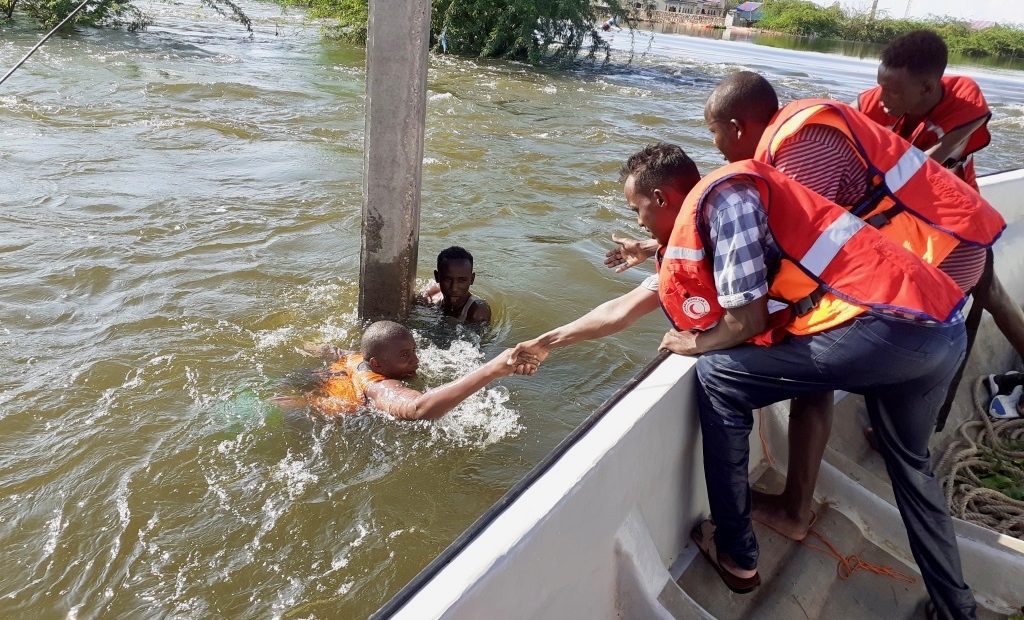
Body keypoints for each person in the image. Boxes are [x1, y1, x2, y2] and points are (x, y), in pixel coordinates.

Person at [515, 143, 975, 617]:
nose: (637, 221)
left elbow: (747, 321)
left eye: (637, 209)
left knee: (718, 374)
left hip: (884, 332)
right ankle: (956, 607)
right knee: (911, 473)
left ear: (660, 197)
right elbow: (620, 310)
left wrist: (695, 344)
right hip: (941, 326)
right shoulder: (723, 208)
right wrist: (549, 341)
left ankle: (736, 553)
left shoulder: (725, 203)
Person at [279, 320, 531, 420]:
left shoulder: (356, 357)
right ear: (377, 363)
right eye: (404, 356)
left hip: (299, 382)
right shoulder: (378, 386)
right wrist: (491, 370)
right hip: (302, 408)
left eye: (413, 351)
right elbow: (419, 408)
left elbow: (331, 350)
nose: (416, 360)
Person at [419, 246, 492, 325]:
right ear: (437, 277)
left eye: (462, 280)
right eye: (448, 279)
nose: (454, 288)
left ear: (472, 279)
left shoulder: (477, 313)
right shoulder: (431, 295)